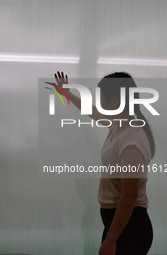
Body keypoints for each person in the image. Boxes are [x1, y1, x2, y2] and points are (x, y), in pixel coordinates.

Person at [54, 71, 154, 255]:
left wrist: (111, 239)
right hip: (118, 224)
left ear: (115, 102)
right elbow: (94, 112)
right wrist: (67, 94)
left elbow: (130, 195)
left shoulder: (131, 139)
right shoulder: (118, 124)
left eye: (101, 99)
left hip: (131, 228)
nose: (98, 103)